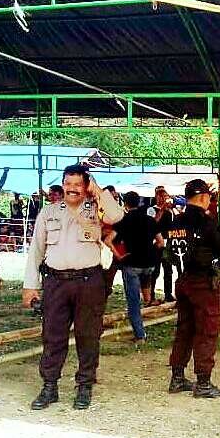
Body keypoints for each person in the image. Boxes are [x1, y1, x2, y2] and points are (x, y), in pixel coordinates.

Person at [23, 164, 123, 410]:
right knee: (52, 335)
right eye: (68, 183)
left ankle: (85, 385)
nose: (72, 189)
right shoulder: (49, 212)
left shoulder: (96, 209)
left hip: (88, 282)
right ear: (63, 184)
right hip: (55, 282)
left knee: (88, 335)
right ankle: (49, 386)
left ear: (86, 185)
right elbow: (36, 250)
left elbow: (116, 216)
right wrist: (30, 286)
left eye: (78, 184)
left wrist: (96, 189)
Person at [167, 179, 220, 398]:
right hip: (203, 283)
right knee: (207, 331)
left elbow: (170, 253)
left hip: (182, 280)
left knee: (184, 330)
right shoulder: (206, 222)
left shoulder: (176, 221)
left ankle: (177, 378)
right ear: (204, 197)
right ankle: (203, 382)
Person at [108, 191, 164, 343]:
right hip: (149, 263)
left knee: (133, 301)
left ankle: (140, 335)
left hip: (131, 263)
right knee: (145, 292)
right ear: (139, 202)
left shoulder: (123, 221)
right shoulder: (150, 220)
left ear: (125, 204)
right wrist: (151, 251)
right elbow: (160, 243)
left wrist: (118, 256)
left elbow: (108, 240)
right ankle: (149, 301)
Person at [147, 187, 175, 304]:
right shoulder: (151, 209)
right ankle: (151, 295)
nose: (163, 199)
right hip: (156, 244)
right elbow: (152, 223)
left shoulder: (170, 212)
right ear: (156, 197)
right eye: (161, 196)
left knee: (168, 270)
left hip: (167, 243)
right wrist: (162, 210)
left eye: (165, 197)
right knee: (155, 271)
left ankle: (168, 294)